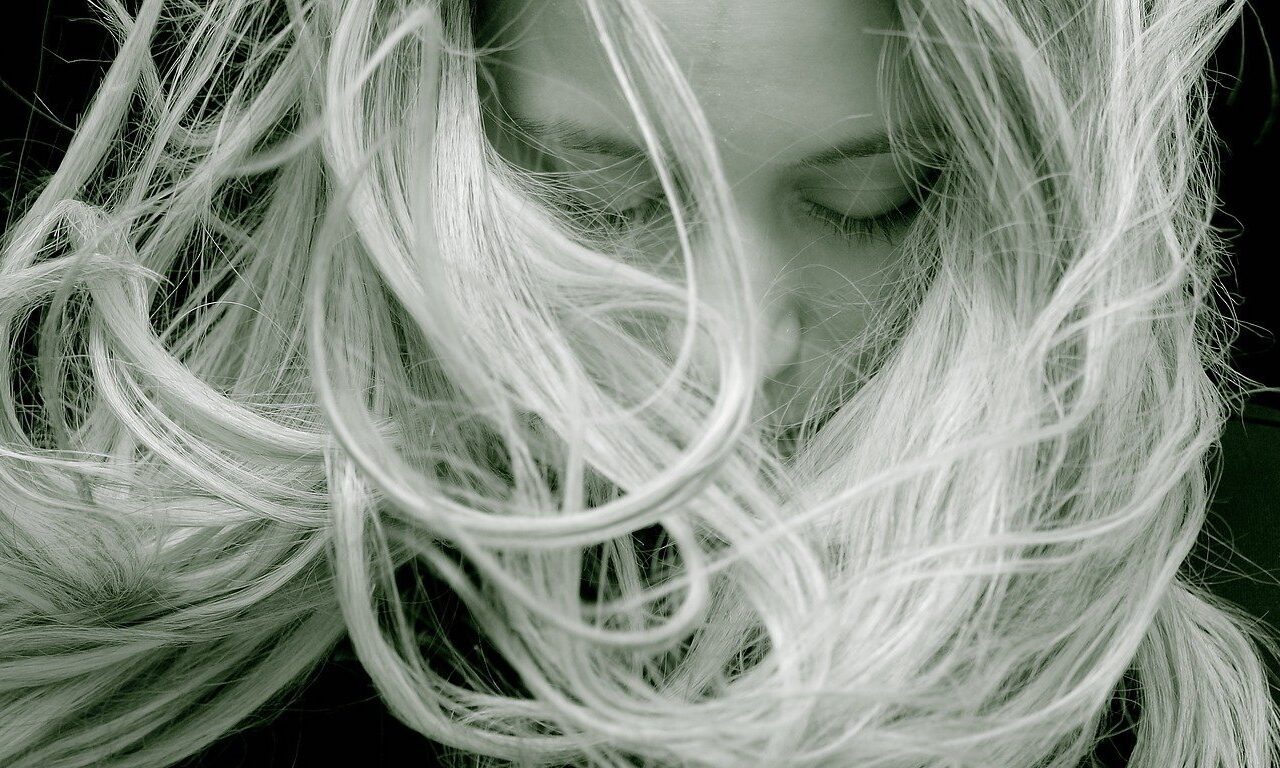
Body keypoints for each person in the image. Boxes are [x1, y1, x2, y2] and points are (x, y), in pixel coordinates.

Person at [0, 0, 1276, 766]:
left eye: (867, 201)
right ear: (426, 133)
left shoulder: (1138, 723)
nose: (729, 356)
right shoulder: (141, 681)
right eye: (604, 198)